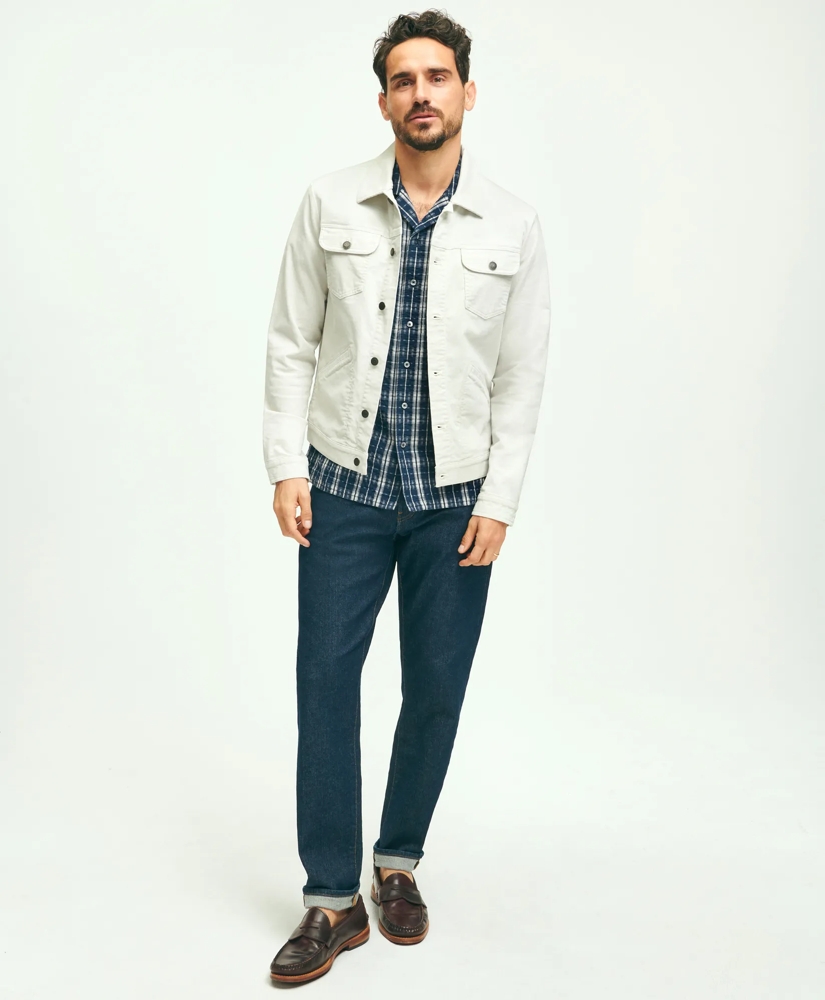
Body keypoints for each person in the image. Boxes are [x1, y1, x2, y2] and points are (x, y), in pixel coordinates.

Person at [263, 9, 551, 985]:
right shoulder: (329, 202)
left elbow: (520, 375)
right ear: (383, 100)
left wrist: (499, 500)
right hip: (342, 488)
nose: (420, 93)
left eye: (436, 77)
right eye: (402, 79)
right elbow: (290, 341)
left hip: (453, 503)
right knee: (323, 684)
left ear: (466, 92)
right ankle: (330, 899)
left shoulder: (512, 223)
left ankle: (397, 863)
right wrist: (286, 466)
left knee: (434, 688)